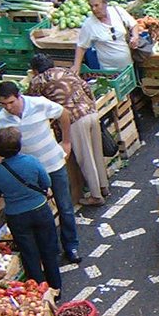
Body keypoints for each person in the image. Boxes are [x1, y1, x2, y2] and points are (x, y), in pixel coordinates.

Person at [0, 81, 79, 264]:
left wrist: (66, 142)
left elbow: (63, 114)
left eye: (11, 102)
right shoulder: (1, 119)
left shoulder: (38, 104)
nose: (8, 107)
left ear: (19, 96)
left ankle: (71, 245)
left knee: (65, 207)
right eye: (3, 104)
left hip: (53, 163)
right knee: (42, 212)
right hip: (29, 174)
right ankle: (51, 250)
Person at [0, 127, 62, 296]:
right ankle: (56, 287)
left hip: (17, 217)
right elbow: (46, 182)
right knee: (48, 249)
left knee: (30, 254)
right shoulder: (32, 161)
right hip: (40, 211)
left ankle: (40, 292)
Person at [26, 53, 107, 205]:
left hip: (74, 119)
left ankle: (96, 196)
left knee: (85, 158)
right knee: (96, 152)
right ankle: (103, 186)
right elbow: (86, 88)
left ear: (35, 70)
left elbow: (32, 103)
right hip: (90, 112)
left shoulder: (39, 80)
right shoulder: (66, 71)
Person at [72, 0, 143, 75]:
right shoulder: (89, 24)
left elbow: (133, 24)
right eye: (91, 6)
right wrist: (76, 65)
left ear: (105, 3)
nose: (94, 9)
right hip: (109, 71)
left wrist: (135, 36)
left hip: (128, 66)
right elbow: (81, 46)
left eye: (96, 5)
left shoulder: (117, 11)